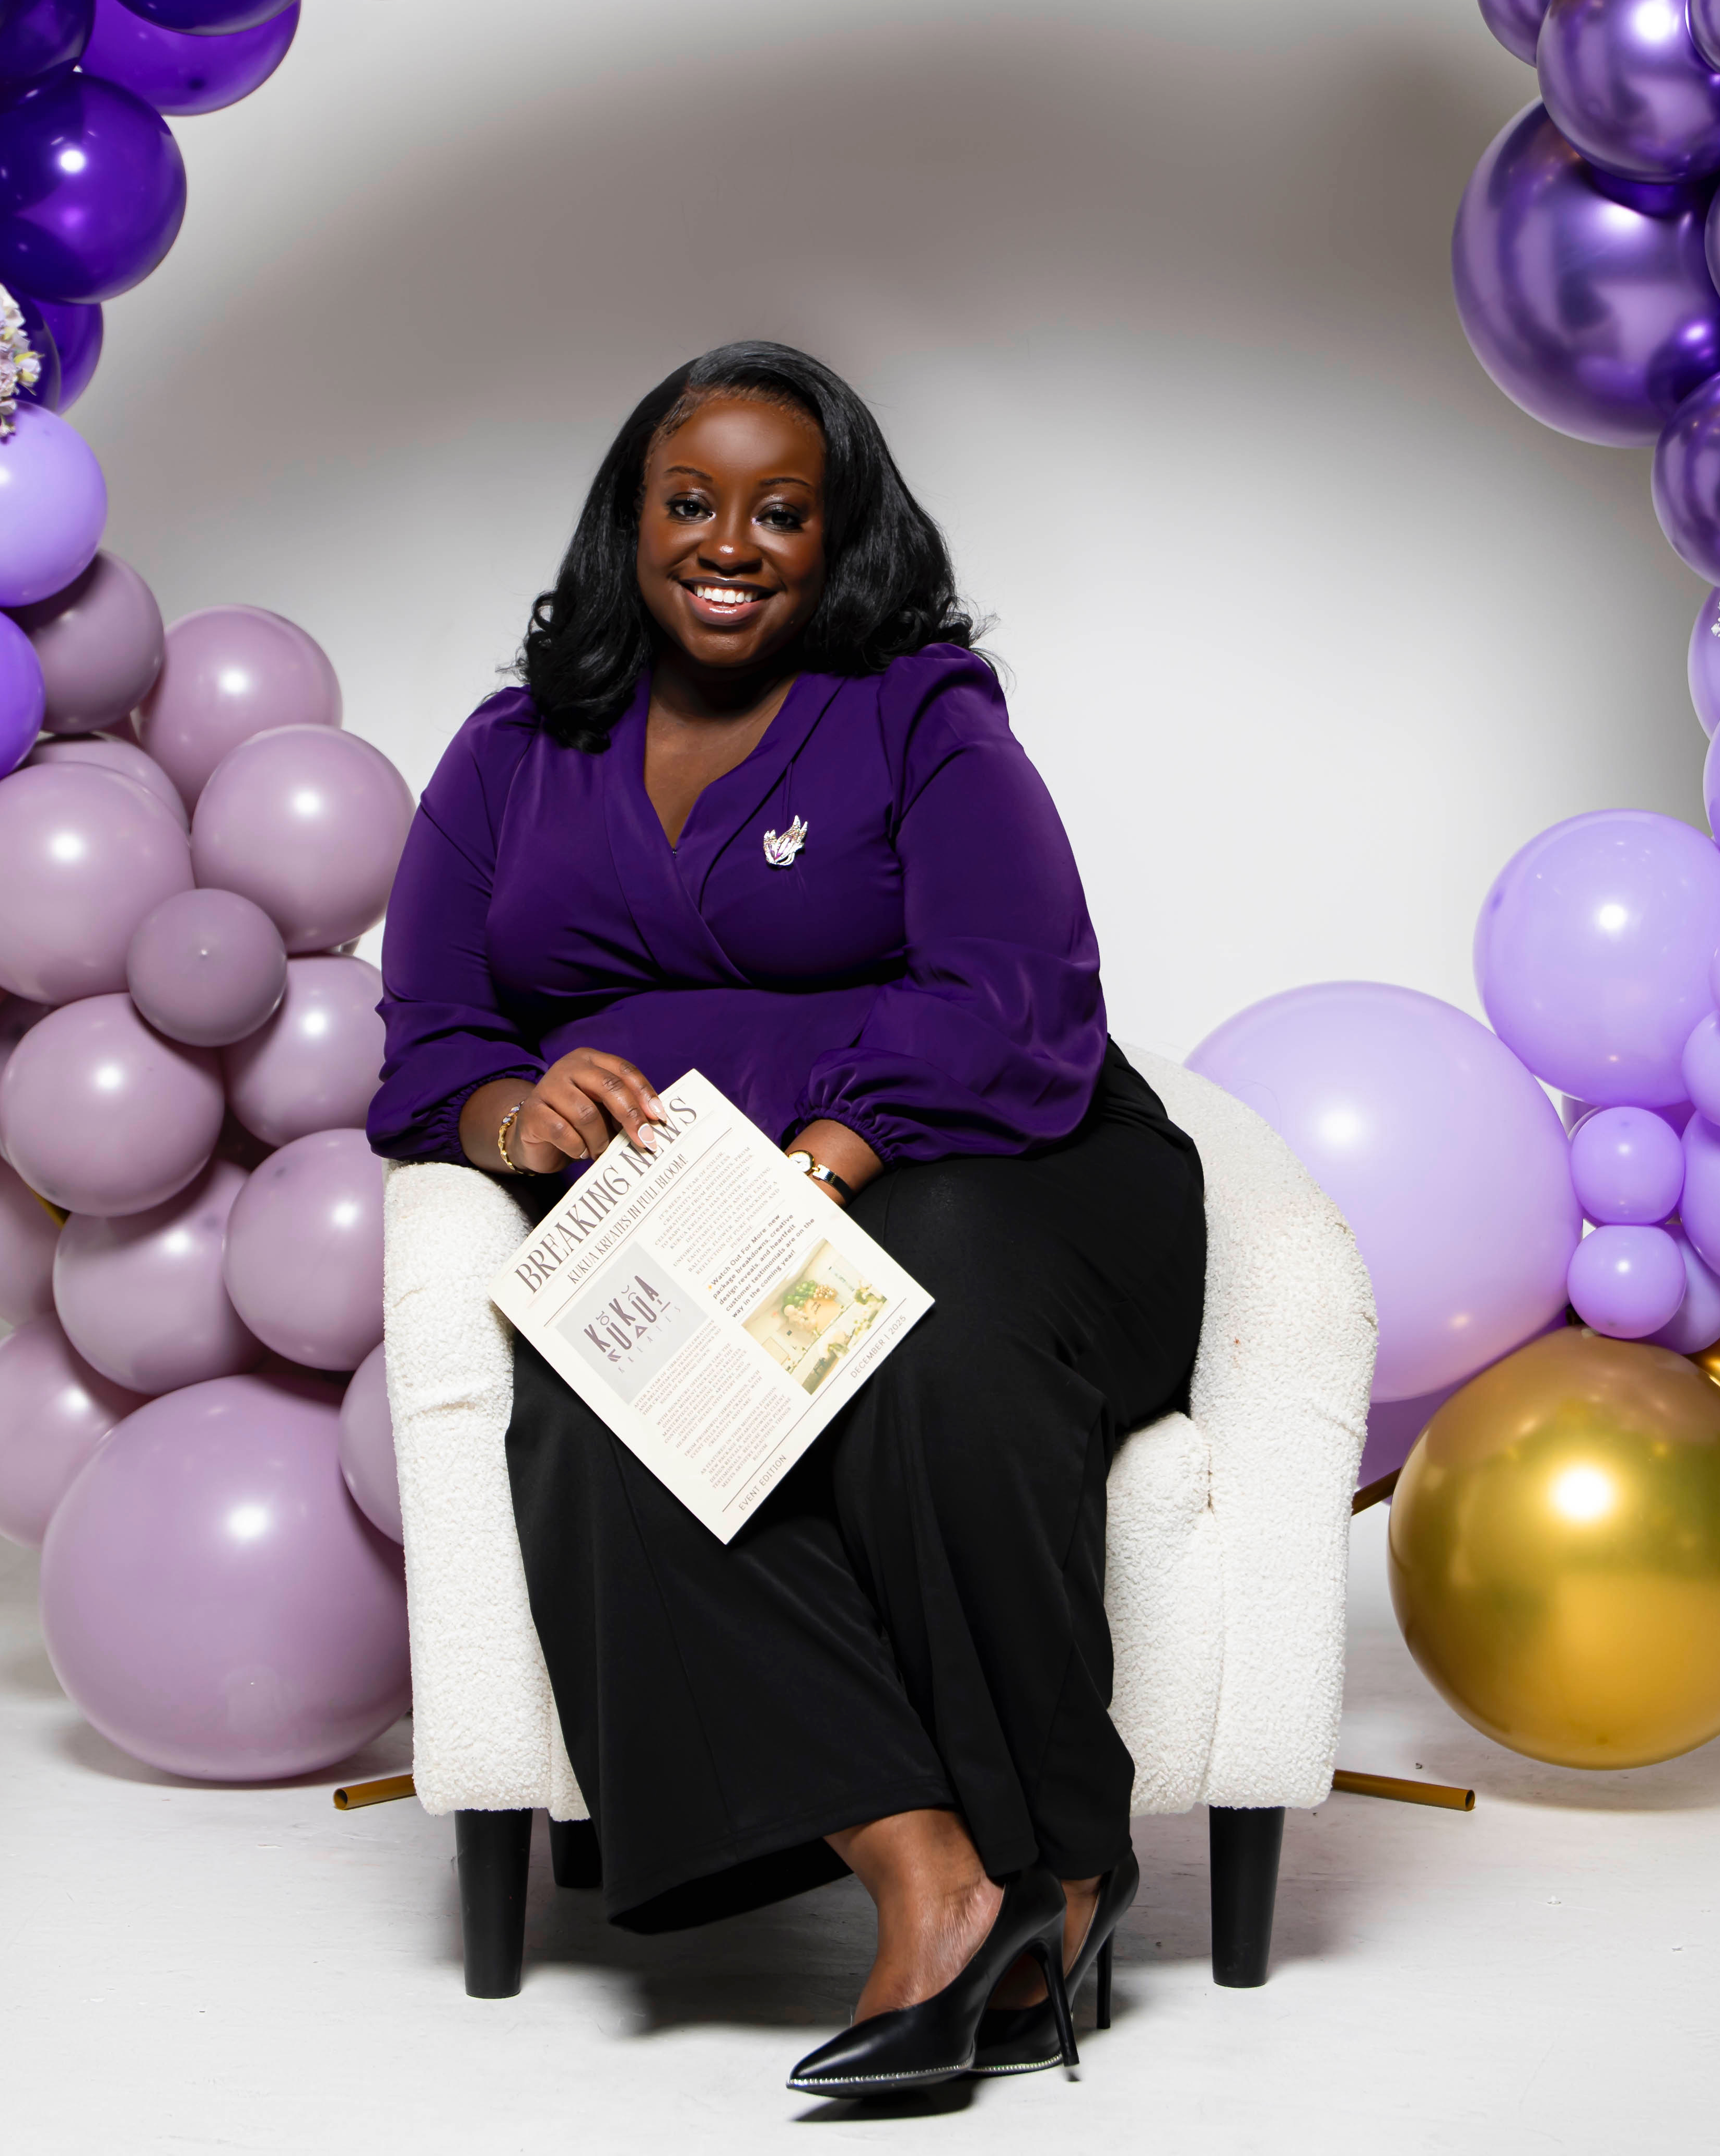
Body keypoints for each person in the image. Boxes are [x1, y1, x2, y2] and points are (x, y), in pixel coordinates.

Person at [369, 342, 1206, 2098]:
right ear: (633, 522)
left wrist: (829, 1155)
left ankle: (1068, 1858)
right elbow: (434, 1037)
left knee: (928, 1336)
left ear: (838, 539)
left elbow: (1017, 988)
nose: (728, 543)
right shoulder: (517, 751)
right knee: (603, 1414)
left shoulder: (917, 709)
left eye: (779, 511)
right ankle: (926, 1876)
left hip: (997, 1161)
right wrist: (515, 1114)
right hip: (691, 1210)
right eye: (691, 504)